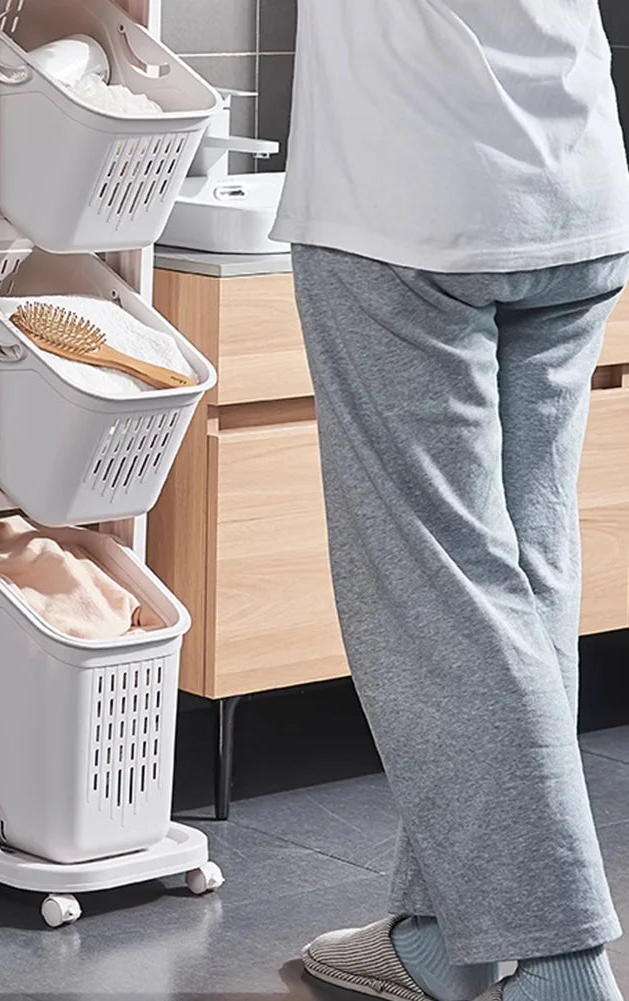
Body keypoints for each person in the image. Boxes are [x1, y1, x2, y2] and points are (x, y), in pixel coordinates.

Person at [271, 3, 629, 1000]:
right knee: (519, 575)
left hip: (405, 207)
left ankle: (557, 958)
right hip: (573, 192)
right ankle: (443, 930)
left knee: (439, 596)